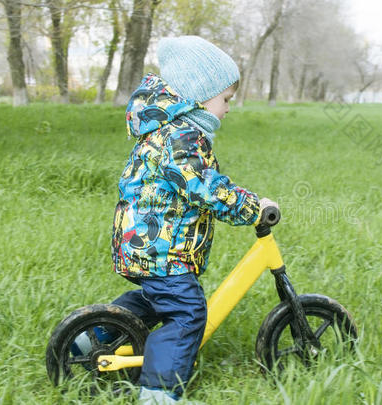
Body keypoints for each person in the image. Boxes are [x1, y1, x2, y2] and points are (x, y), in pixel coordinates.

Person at [108, 36, 277, 404]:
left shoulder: (173, 133)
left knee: (156, 300)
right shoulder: (181, 138)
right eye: (226, 99)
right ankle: (158, 395)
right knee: (186, 312)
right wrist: (250, 206)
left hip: (144, 243)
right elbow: (206, 189)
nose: (229, 108)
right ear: (200, 96)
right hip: (159, 247)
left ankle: (96, 334)